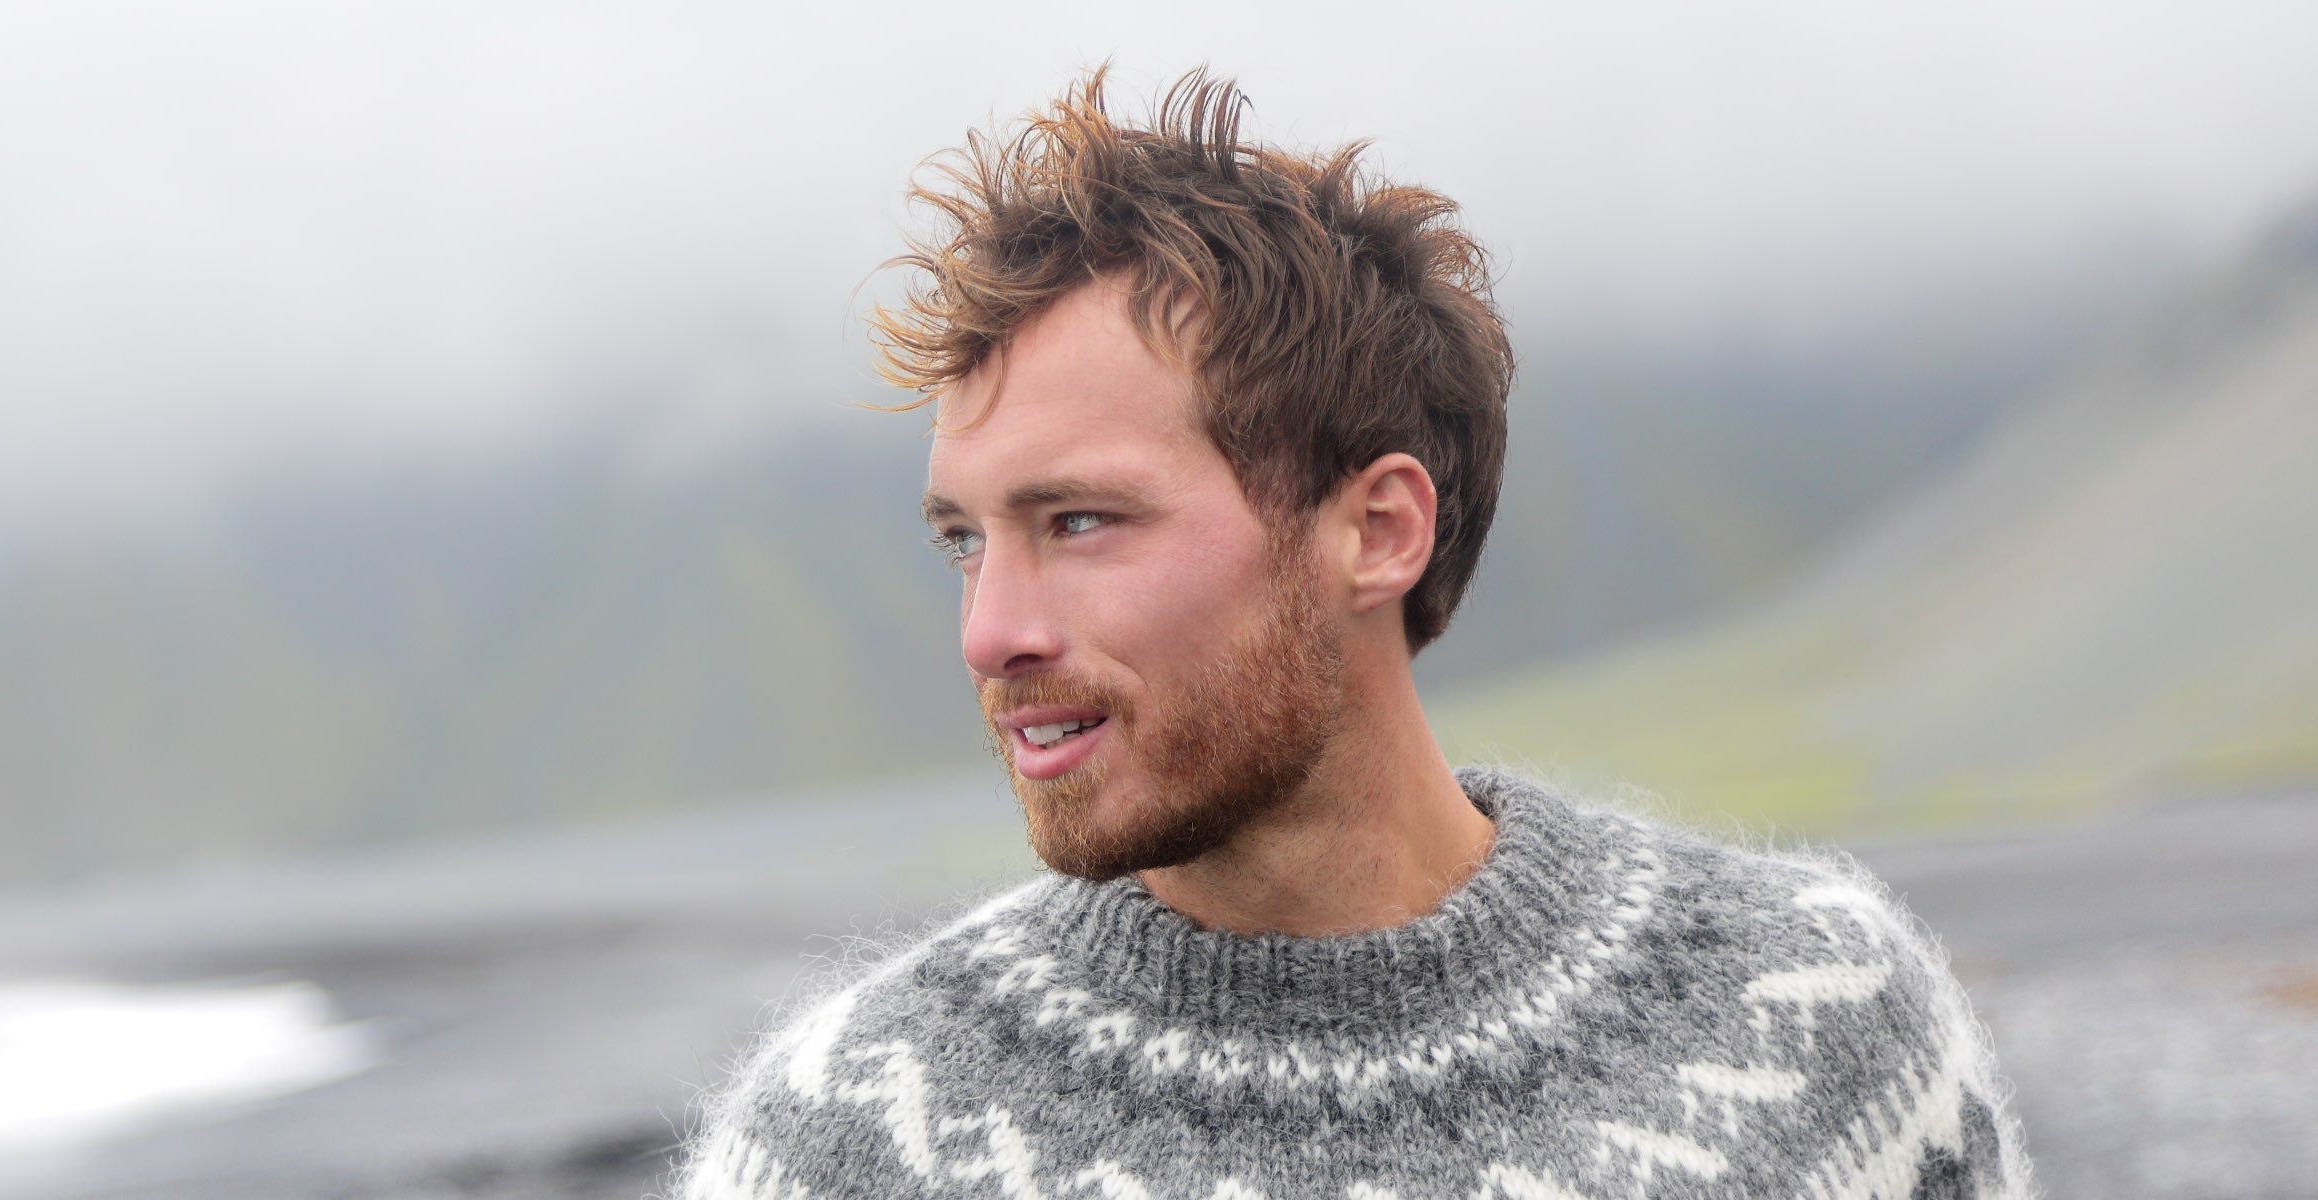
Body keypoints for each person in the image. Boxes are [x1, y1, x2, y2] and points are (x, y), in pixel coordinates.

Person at [671, 67, 2033, 1199]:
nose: (991, 632)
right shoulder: (842, 1145)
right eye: (964, 540)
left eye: (1078, 522)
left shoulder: (1824, 1023)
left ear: (1377, 530)